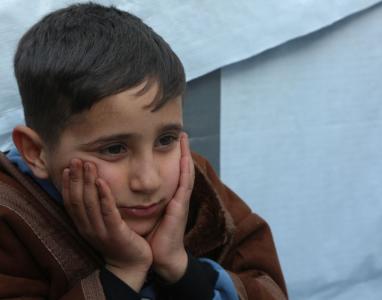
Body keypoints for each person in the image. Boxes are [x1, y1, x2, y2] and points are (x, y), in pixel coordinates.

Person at [0, 2, 287, 300]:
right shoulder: (10, 216)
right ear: (36, 152)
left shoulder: (193, 182)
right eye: (114, 149)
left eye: (165, 140)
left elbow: (268, 287)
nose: (148, 181)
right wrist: (124, 271)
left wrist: (180, 269)